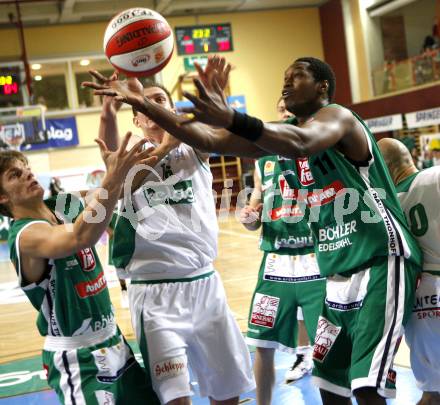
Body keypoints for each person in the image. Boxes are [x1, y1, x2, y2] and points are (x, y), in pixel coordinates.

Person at [88, 55, 423, 405]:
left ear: (323, 86)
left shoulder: (337, 117)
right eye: (284, 77)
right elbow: (217, 139)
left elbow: (300, 141)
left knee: (366, 386)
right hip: (335, 272)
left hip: (380, 260)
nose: (286, 83)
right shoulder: (276, 143)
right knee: (330, 385)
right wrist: (132, 105)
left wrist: (224, 116)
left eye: (297, 77)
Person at [83, 65, 255, 405]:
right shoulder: (129, 159)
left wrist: (216, 96)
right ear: (137, 119)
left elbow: (220, 127)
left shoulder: (194, 147)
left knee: (227, 395)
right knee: (175, 397)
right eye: (145, 105)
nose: (154, 107)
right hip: (154, 293)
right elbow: (125, 181)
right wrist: (108, 110)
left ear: (171, 110)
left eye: (160, 100)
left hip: (204, 283)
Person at [2, 134, 160, 404]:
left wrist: (167, 142)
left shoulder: (63, 204)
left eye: (27, 168)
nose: (27, 174)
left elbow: (117, 191)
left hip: (114, 339)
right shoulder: (24, 235)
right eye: (15, 175)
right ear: (2, 197)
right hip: (77, 357)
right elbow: (79, 236)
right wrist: (113, 174)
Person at [241, 97, 325, 404]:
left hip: (315, 260)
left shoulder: (319, 153)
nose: (285, 114)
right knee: (262, 343)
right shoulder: (263, 160)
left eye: (291, 110)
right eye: (281, 110)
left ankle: (317, 370)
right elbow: (254, 209)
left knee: (328, 345)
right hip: (276, 263)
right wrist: (250, 217)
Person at [378, 138, 440, 405]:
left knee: (432, 392)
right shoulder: (435, 175)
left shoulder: (384, 204)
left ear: (385, 168)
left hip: (420, 297)